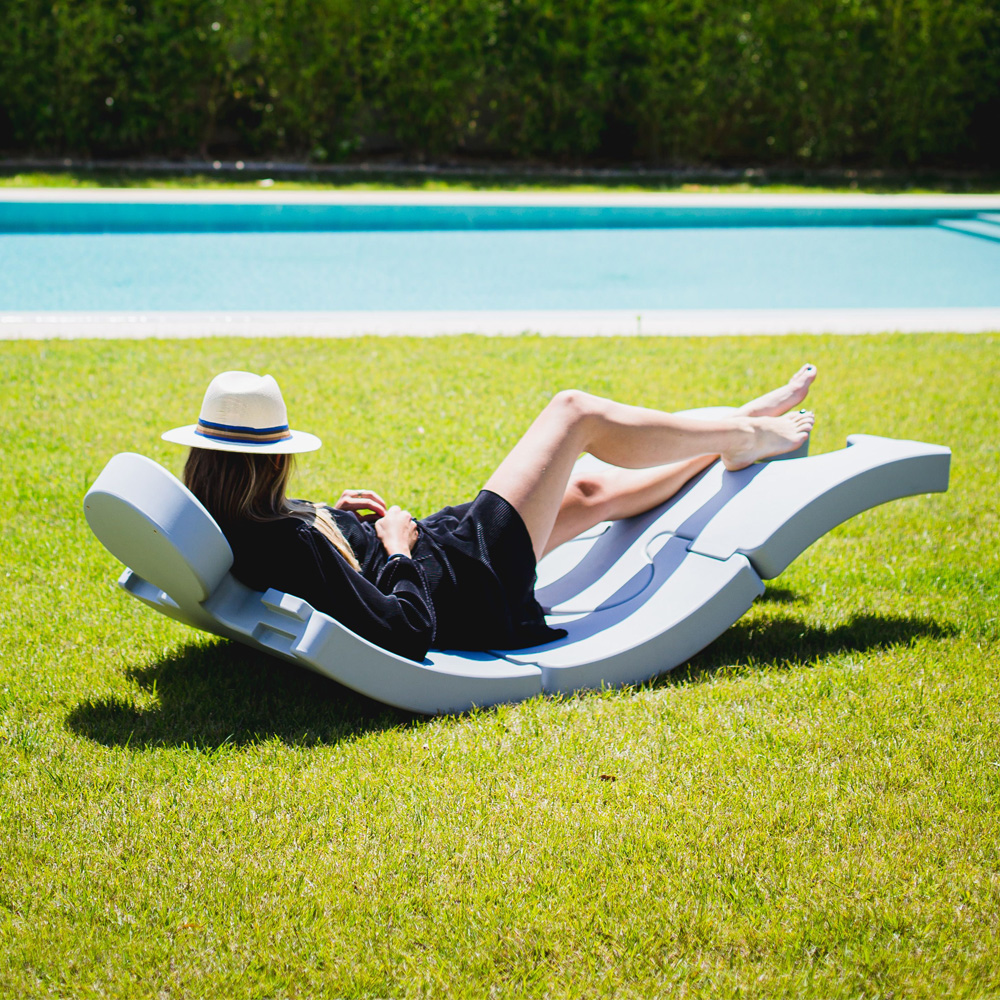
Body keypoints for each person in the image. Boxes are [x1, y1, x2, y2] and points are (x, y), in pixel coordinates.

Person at [162, 367, 816, 662]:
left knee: (592, 489)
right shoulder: (285, 545)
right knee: (573, 412)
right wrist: (394, 545)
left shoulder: (235, 520)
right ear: (273, 461)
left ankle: (734, 429)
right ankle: (744, 434)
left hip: (447, 555)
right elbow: (405, 631)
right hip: (464, 581)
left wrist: (343, 523)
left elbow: (327, 569)